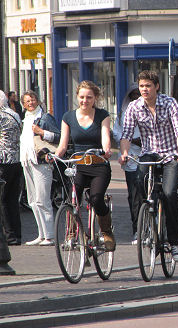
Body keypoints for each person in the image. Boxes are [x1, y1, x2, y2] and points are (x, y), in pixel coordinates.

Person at [119, 70, 178, 261]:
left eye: (148, 85)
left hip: (170, 155)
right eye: (141, 86)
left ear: (156, 86)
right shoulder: (134, 107)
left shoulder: (170, 103)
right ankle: (149, 218)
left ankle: (175, 242)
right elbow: (126, 134)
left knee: (169, 193)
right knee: (138, 179)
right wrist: (124, 153)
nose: (144, 89)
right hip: (148, 153)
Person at [54, 81, 114, 251]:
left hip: (98, 165)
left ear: (95, 98)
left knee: (96, 198)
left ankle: (106, 231)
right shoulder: (68, 117)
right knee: (72, 199)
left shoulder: (103, 115)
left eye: (89, 97)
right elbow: (63, 145)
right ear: (77, 97)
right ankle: (72, 235)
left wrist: (106, 149)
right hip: (78, 165)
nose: (85, 100)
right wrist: (56, 155)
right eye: (82, 97)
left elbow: (105, 137)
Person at [20, 90, 60, 246]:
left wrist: (42, 132)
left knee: (42, 199)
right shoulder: (25, 119)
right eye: (27, 101)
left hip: (41, 162)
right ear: (23, 104)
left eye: (33, 100)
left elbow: (58, 136)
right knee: (32, 201)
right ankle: (41, 234)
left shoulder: (44, 117)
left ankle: (49, 236)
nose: (30, 103)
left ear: (38, 100)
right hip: (27, 161)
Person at [112, 84, 142, 245]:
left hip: (149, 154)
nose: (137, 97)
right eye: (134, 95)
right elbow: (117, 133)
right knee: (134, 195)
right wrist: (130, 141)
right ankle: (136, 229)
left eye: (139, 94)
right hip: (130, 156)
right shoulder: (124, 114)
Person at [0, 90, 23, 246]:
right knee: (12, 200)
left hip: (3, 161)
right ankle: (16, 234)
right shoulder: (13, 114)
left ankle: (9, 236)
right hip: (16, 160)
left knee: (2, 200)